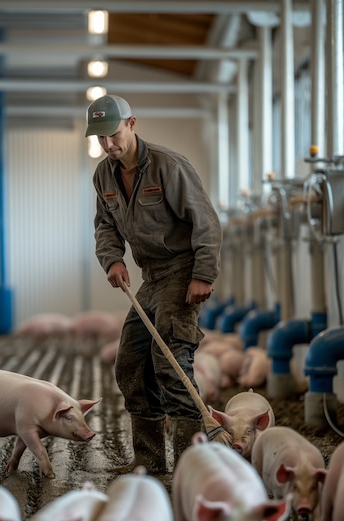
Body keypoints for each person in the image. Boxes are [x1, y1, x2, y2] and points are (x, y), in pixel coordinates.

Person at [85, 94, 226, 473]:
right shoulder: (103, 175)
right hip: (151, 278)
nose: (108, 145)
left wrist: (203, 274)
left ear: (132, 124)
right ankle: (149, 461)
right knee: (130, 363)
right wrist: (112, 258)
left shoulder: (169, 166)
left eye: (113, 135)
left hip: (183, 269)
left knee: (170, 361)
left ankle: (189, 461)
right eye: (101, 139)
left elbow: (206, 223)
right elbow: (105, 226)